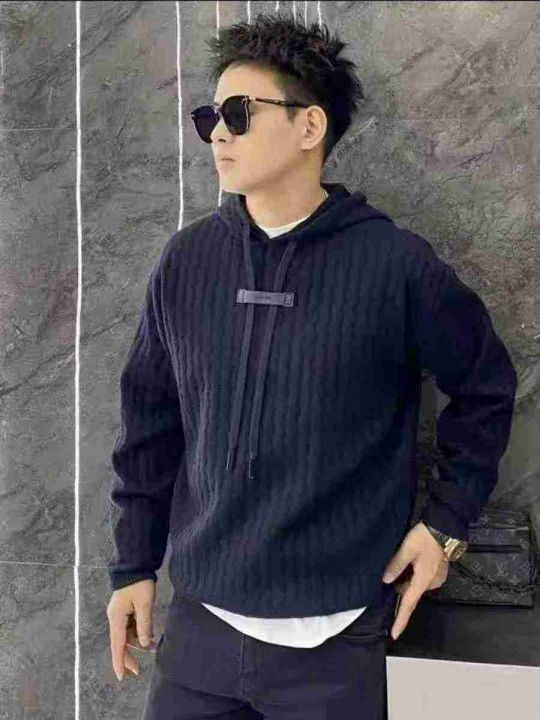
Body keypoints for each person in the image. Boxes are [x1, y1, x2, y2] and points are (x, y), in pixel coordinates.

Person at [106, 12, 518, 719]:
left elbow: (485, 388)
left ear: (310, 126)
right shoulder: (186, 261)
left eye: (240, 113)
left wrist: (444, 525)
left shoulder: (394, 266)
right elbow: (149, 420)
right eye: (210, 117)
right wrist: (132, 566)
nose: (219, 134)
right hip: (199, 632)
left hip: (338, 640)